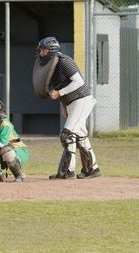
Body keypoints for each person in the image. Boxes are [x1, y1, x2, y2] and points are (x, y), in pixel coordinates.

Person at [36, 36, 101, 180]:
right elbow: (60, 85)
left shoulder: (64, 61)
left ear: (52, 50)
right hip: (71, 103)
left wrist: (59, 93)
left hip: (81, 100)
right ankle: (92, 169)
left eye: (44, 50)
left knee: (67, 135)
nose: (41, 53)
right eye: (40, 50)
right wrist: (63, 104)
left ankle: (67, 171)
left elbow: (78, 82)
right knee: (80, 136)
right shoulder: (50, 66)